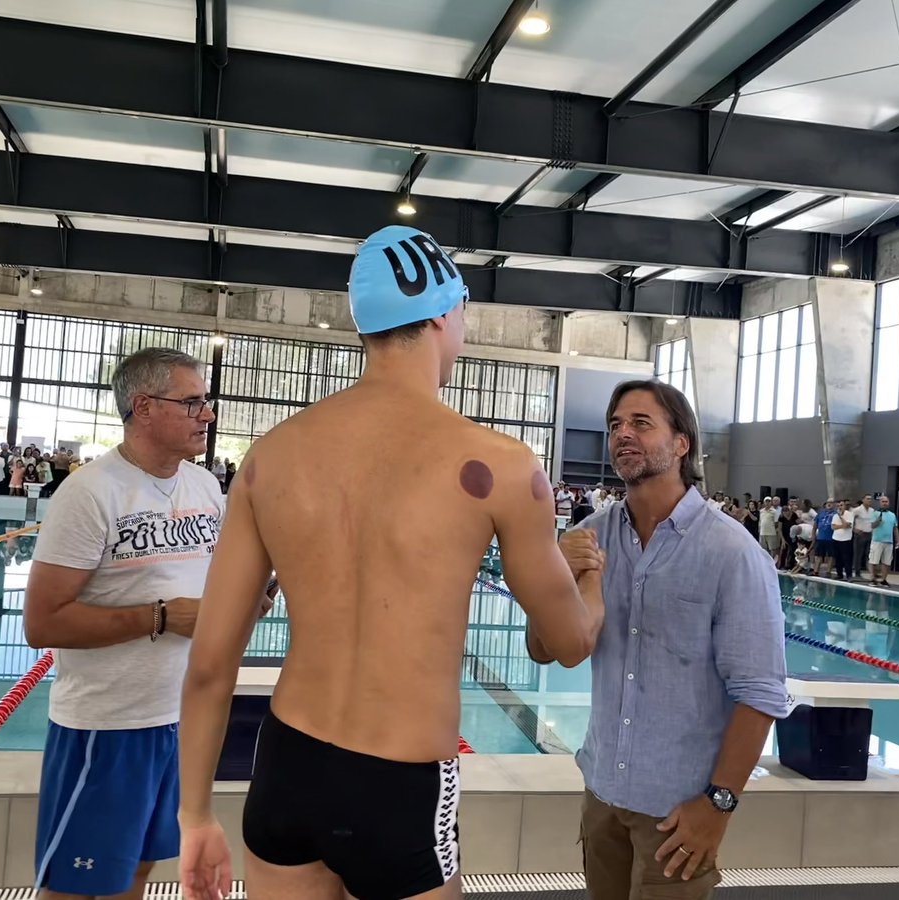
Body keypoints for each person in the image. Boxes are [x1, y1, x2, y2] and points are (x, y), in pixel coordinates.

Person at [176, 225, 604, 900]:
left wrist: (194, 814)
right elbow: (573, 642)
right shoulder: (501, 466)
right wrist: (590, 578)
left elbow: (209, 663)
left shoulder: (270, 457)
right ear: (441, 312)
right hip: (401, 782)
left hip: (288, 766)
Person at [539, 380, 787, 900]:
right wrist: (554, 582)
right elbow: (548, 652)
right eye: (615, 425)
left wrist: (718, 805)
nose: (622, 434)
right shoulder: (591, 537)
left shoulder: (731, 552)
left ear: (682, 443)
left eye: (640, 423)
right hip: (602, 795)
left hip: (678, 812)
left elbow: (760, 693)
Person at [22, 347, 224, 900]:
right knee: (75, 886)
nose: (207, 414)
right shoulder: (90, 493)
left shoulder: (205, 488)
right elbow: (42, 623)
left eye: (205, 402)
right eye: (192, 402)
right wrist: (159, 618)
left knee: (136, 869)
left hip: (176, 720)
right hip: (105, 729)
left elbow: (210, 589)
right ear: (144, 407)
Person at [869, 496, 899, 586]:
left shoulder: (892, 515)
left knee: (887, 562)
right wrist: (878, 521)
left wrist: (898, 541)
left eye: (886, 501)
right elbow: (872, 526)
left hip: (889, 541)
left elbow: (895, 528)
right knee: (873, 560)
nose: (885, 503)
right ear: (880, 503)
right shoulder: (875, 514)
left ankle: (884, 579)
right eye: (883, 501)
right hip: (877, 541)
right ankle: (873, 578)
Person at [849, 495, 874, 580]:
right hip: (860, 534)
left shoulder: (872, 511)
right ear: (863, 500)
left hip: (869, 533)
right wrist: (854, 529)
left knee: (869, 554)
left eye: (870, 499)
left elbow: (873, 522)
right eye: (867, 499)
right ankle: (857, 572)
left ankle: (871, 573)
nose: (869, 500)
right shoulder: (857, 510)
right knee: (858, 554)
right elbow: (850, 520)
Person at [831, 499, 854, 580]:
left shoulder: (849, 514)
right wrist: (842, 525)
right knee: (838, 558)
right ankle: (839, 574)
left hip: (846, 539)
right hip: (836, 539)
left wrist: (841, 517)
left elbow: (847, 525)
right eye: (838, 506)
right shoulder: (834, 515)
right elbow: (833, 527)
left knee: (847, 558)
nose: (839, 507)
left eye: (841, 505)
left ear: (844, 506)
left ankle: (849, 575)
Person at [813, 499, 836, 577]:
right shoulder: (820, 514)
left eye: (831, 503)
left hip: (831, 538)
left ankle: (828, 572)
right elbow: (815, 526)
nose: (829, 504)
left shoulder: (836, 514)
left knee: (830, 556)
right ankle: (816, 571)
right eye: (828, 503)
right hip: (820, 538)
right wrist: (813, 536)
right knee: (818, 555)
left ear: (834, 505)